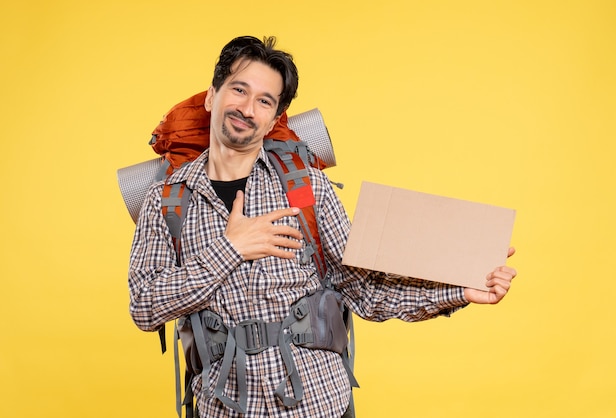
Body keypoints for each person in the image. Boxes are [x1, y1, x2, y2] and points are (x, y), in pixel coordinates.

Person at [128, 35, 517, 417]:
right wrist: (230, 249)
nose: (248, 108)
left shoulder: (305, 186)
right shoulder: (166, 200)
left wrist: (459, 289)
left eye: (264, 100)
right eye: (239, 90)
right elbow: (144, 308)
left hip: (318, 403)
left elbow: (363, 289)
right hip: (225, 407)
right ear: (212, 96)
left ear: (274, 118)